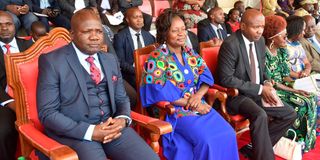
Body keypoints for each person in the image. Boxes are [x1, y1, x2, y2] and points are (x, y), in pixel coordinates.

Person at [36, 9, 159, 160]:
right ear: (72, 34)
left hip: (111, 127)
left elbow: (121, 98)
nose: (94, 37)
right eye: (87, 32)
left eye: (99, 32)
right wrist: (90, 132)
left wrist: (122, 119)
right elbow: (48, 113)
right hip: (77, 133)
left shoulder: (110, 60)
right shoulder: (52, 61)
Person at [140, 9, 239, 160]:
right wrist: (193, 104)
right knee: (208, 140)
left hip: (199, 104)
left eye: (183, 29)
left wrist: (198, 97)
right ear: (165, 32)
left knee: (228, 133)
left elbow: (206, 78)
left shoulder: (189, 52)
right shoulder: (156, 58)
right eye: (175, 30)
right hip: (175, 111)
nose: (181, 34)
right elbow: (159, 93)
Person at [216, 9, 296, 160]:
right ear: (243, 26)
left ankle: (255, 148)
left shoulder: (260, 42)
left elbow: (261, 68)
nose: (260, 31)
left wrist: (266, 82)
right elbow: (226, 79)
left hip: (258, 92)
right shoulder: (230, 44)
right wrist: (260, 89)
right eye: (255, 27)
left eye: (262, 26)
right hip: (238, 95)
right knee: (260, 115)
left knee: (289, 114)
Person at [263, 15, 317, 152]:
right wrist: (295, 91)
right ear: (272, 37)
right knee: (302, 101)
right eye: (283, 36)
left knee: (311, 96)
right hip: (272, 90)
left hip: (283, 85)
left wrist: (298, 84)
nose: (286, 39)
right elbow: (272, 83)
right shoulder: (263, 53)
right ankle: (293, 139)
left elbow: (285, 76)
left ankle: (305, 141)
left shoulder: (281, 50)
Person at [0, 11, 33, 160]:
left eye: (8, 24)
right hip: (6, 100)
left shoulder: (29, 45)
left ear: (15, 26)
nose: (4, 28)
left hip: (33, 97)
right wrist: (10, 102)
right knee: (3, 131)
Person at [113, 7, 155, 89]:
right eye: (135, 17)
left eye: (141, 17)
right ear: (128, 20)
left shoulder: (149, 36)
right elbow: (120, 61)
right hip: (131, 75)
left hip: (149, 72)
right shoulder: (120, 37)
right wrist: (137, 71)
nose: (139, 20)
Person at [286, 15, 312, 80]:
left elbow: (307, 62)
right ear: (296, 30)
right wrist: (300, 76)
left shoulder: (298, 44)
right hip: (292, 80)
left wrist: (307, 71)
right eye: (302, 30)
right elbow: (282, 68)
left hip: (304, 77)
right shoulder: (283, 45)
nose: (304, 33)